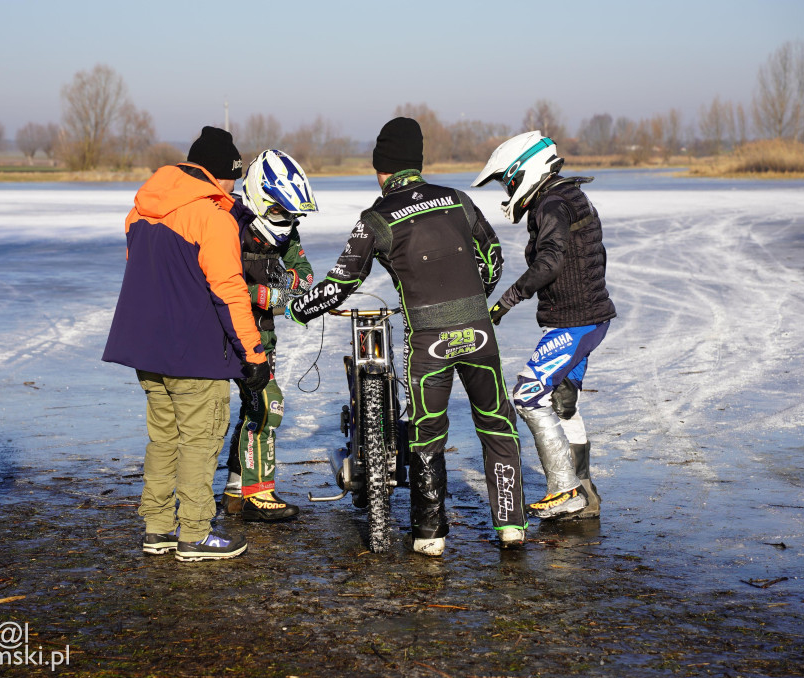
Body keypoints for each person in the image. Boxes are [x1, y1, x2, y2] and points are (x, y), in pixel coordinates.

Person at [287, 118, 527, 556]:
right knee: (496, 423)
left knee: (427, 433)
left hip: (429, 343)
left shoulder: (375, 219)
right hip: (478, 334)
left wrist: (300, 308)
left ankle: (429, 535)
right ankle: (511, 526)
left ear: (381, 170)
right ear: (418, 162)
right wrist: (473, 300)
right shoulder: (459, 199)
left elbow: (340, 283)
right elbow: (493, 257)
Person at [102, 127, 270, 562]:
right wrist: (252, 353)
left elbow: (144, 277)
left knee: (163, 441)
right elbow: (229, 290)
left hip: (147, 352)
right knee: (199, 441)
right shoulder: (211, 216)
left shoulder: (141, 211)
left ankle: (157, 529)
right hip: (195, 356)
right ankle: (194, 533)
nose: (233, 186)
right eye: (232, 176)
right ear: (219, 174)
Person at [473, 131, 616, 521]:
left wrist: (504, 302)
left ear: (525, 171)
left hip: (576, 322)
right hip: (587, 318)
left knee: (527, 395)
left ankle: (564, 491)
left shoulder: (552, 204)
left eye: (508, 180)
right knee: (562, 403)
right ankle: (584, 493)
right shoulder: (564, 196)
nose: (507, 189)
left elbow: (549, 262)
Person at [219, 149, 317, 521]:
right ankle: (258, 493)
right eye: (280, 211)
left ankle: (235, 491)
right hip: (223, 337)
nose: (287, 220)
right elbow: (218, 284)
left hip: (263, 336)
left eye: (293, 213)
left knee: (253, 409)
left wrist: (268, 292)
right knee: (265, 406)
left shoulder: (288, 236)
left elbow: (304, 278)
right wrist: (263, 292)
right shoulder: (231, 224)